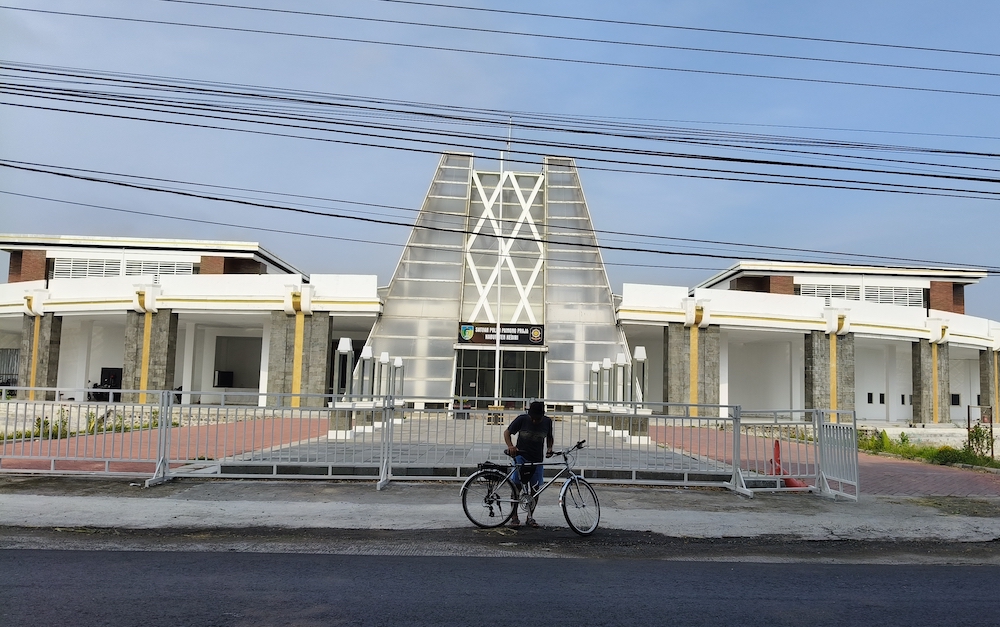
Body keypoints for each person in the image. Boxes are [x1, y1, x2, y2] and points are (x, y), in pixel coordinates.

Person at [503, 400, 554, 528]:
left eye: (537, 418)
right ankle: (514, 516)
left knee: (535, 490)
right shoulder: (522, 419)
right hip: (521, 457)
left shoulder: (547, 422)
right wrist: (510, 446)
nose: (534, 421)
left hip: (537, 459)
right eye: (533, 418)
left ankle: (530, 517)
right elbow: (507, 432)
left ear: (542, 416)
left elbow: (549, 437)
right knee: (517, 487)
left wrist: (549, 449)